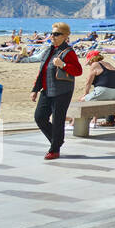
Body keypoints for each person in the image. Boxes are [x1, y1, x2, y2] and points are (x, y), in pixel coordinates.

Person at [31, 22, 82, 160]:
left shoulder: (68, 52)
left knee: (58, 120)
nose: (52, 36)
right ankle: (57, 140)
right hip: (47, 90)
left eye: (56, 34)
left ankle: (54, 149)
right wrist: (35, 89)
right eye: (52, 33)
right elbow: (42, 71)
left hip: (62, 91)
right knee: (39, 117)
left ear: (65, 36)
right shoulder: (49, 50)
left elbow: (78, 71)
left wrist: (63, 65)